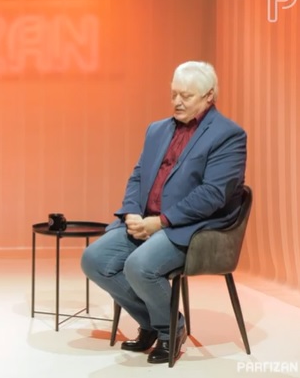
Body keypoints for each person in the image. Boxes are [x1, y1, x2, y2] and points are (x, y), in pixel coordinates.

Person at [81, 61, 247, 364]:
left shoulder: (228, 135)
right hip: (147, 220)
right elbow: (138, 176)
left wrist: (160, 222)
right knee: (94, 259)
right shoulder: (157, 130)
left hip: (192, 227)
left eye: (186, 96)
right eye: (174, 94)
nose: (177, 102)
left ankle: (169, 331)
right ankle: (155, 323)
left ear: (208, 96)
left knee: (139, 265)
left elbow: (213, 194)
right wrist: (131, 213)